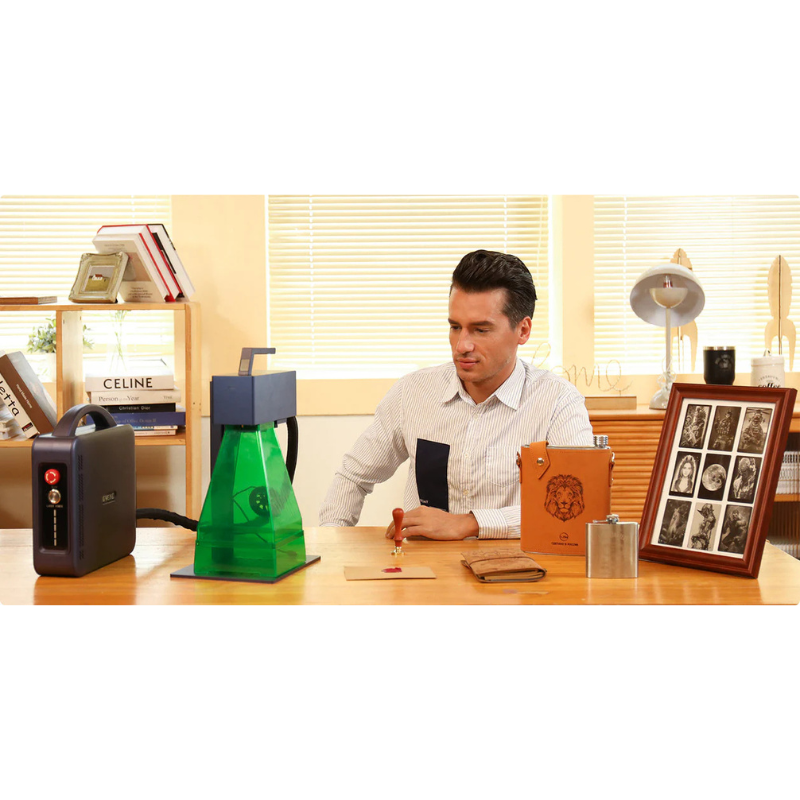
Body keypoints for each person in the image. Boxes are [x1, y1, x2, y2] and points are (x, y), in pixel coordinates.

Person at [318, 249, 593, 540]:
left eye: (481, 330)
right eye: (455, 327)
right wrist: (332, 545)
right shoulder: (412, 393)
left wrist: (470, 523)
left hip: (516, 566)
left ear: (522, 330)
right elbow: (353, 476)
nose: (462, 345)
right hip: (426, 566)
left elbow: (583, 505)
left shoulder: (558, 402)